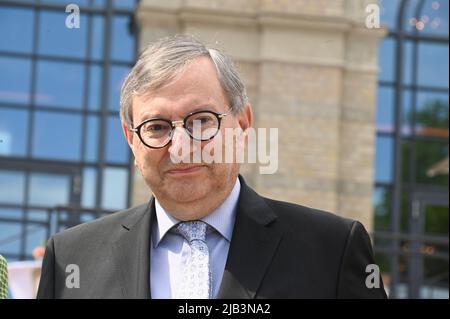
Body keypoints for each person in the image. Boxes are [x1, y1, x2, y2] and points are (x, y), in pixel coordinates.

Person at [37, 35, 387, 299]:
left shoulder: (332, 249)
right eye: (157, 127)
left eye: (201, 121)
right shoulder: (71, 259)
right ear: (131, 139)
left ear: (243, 124)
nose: (181, 147)